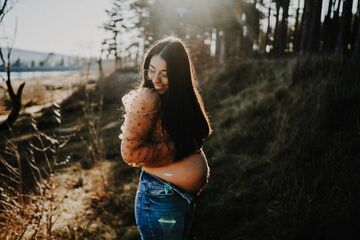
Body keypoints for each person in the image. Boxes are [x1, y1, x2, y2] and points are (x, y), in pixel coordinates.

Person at [119, 36, 212, 240]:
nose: (155, 79)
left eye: (165, 74)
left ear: (179, 76)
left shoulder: (180, 99)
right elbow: (129, 152)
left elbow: (200, 132)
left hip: (181, 197)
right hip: (160, 197)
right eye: (151, 70)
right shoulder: (147, 99)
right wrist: (177, 148)